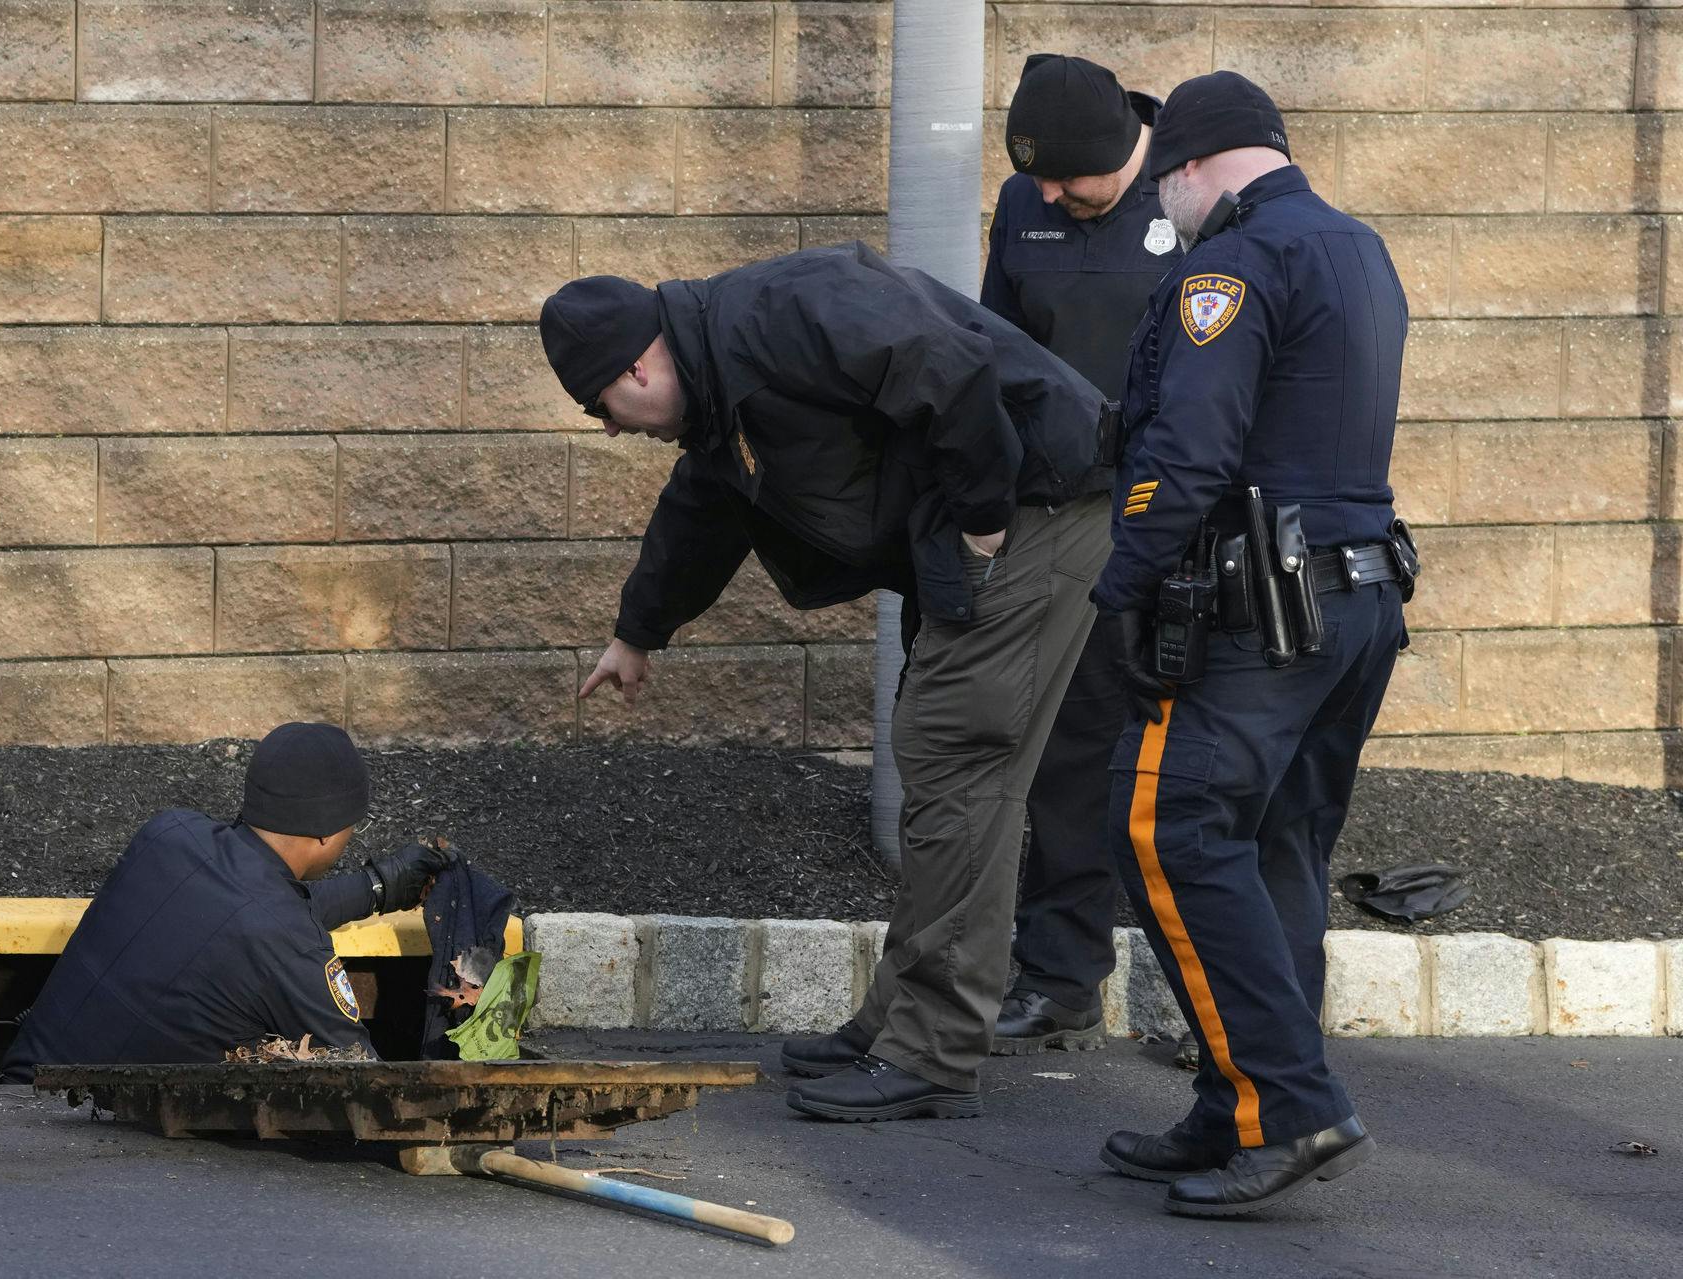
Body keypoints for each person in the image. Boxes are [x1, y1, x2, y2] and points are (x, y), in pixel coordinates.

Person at [541, 244, 1114, 1122]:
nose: (611, 428)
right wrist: (637, 632)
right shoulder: (720, 375)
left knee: (959, 761)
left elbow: (948, 362)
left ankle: (931, 1050)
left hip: (1038, 506)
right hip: (997, 518)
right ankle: (898, 1022)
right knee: (938, 757)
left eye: (600, 406)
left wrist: (985, 522)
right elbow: (704, 504)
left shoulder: (786, 311)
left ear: (638, 364)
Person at [1091, 71, 1413, 1216]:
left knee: (1166, 821)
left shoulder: (1227, 266)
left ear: (1189, 167)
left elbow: (1189, 451)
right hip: (1359, 599)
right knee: (1276, 845)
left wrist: (1121, 590)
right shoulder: (1358, 246)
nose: (1161, 216)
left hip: (1260, 614)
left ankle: (1287, 1103)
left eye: (1161, 189)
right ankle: (1242, 1100)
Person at [982, 53, 1178, 1057]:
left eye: (1068, 177)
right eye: (1038, 177)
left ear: (1121, 151)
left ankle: (1221, 1000)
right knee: (1066, 747)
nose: (1048, 192)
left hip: (1181, 515)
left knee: (1200, 761)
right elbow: (995, 352)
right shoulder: (1025, 206)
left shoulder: (1187, 193)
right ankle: (1059, 974)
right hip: (1065, 518)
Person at [0, 723, 454, 1080]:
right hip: (85, 1156)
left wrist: (378, 886)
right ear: (327, 830)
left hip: (2, 1096)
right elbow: (370, 1083)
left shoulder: (169, 834)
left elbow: (250, 912)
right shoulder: (288, 946)